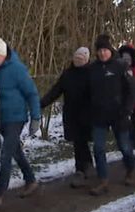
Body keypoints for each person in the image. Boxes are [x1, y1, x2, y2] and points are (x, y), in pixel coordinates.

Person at [0, 38, 41, 208]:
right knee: (16, 151)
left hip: (15, 118)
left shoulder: (17, 70)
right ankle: (31, 180)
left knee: (6, 154)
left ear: (3, 55)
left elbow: (32, 93)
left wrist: (36, 117)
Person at [88, 34, 135, 195]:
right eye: (99, 50)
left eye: (105, 50)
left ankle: (130, 170)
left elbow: (133, 89)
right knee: (98, 148)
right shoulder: (93, 69)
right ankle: (103, 180)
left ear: (110, 50)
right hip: (99, 115)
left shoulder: (121, 66)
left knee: (125, 147)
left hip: (119, 114)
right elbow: (87, 92)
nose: (102, 53)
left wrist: (127, 109)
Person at [40, 46, 95, 187]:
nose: (78, 60)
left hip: (87, 114)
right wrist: (42, 103)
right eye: (76, 58)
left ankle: (84, 167)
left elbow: (98, 93)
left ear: (86, 60)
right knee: (78, 142)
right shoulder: (68, 74)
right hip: (72, 113)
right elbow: (56, 91)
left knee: (82, 141)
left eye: (81, 58)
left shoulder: (91, 73)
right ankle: (83, 168)